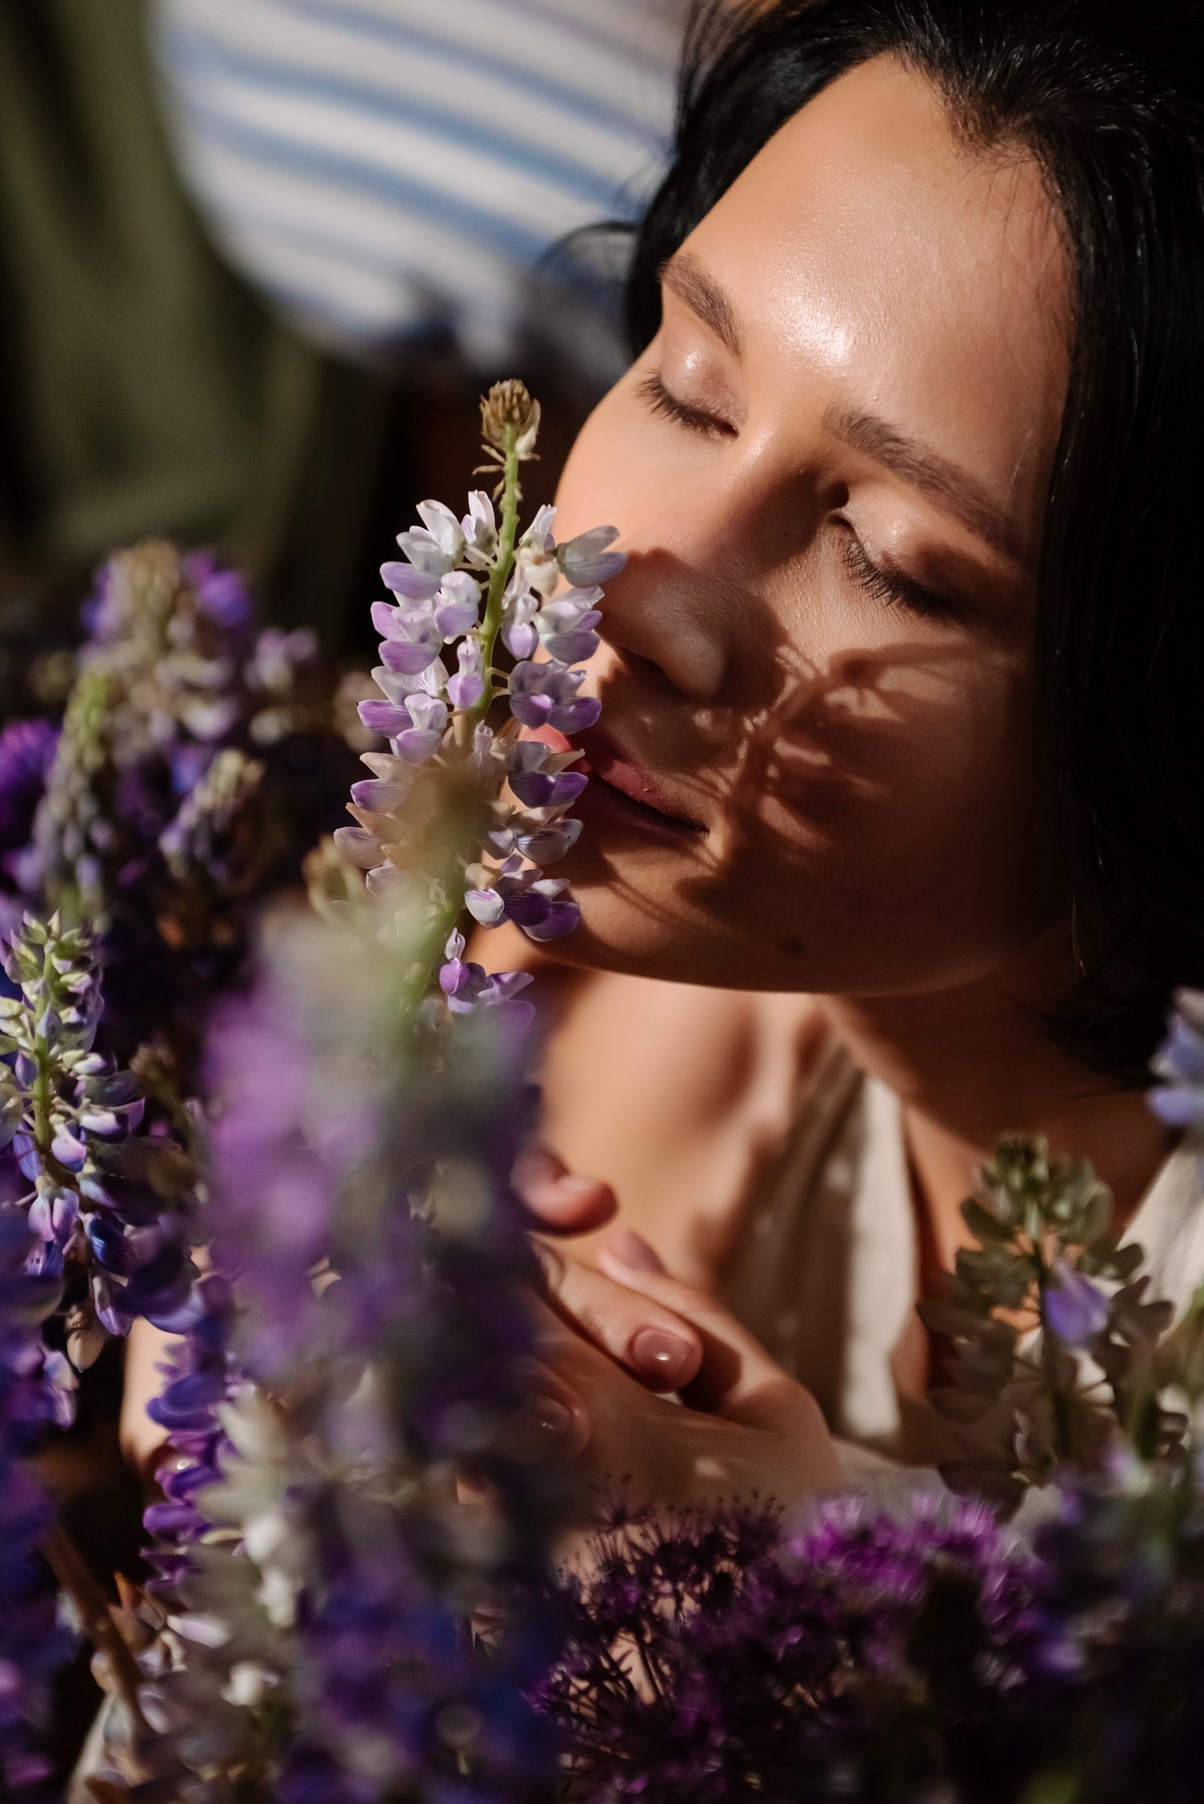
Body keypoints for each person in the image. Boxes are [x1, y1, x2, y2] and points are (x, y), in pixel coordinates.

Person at [466, 0, 1204, 1517]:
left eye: (894, 558)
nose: (631, 591)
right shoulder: (645, 1025)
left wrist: (816, 1635)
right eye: (687, 383)